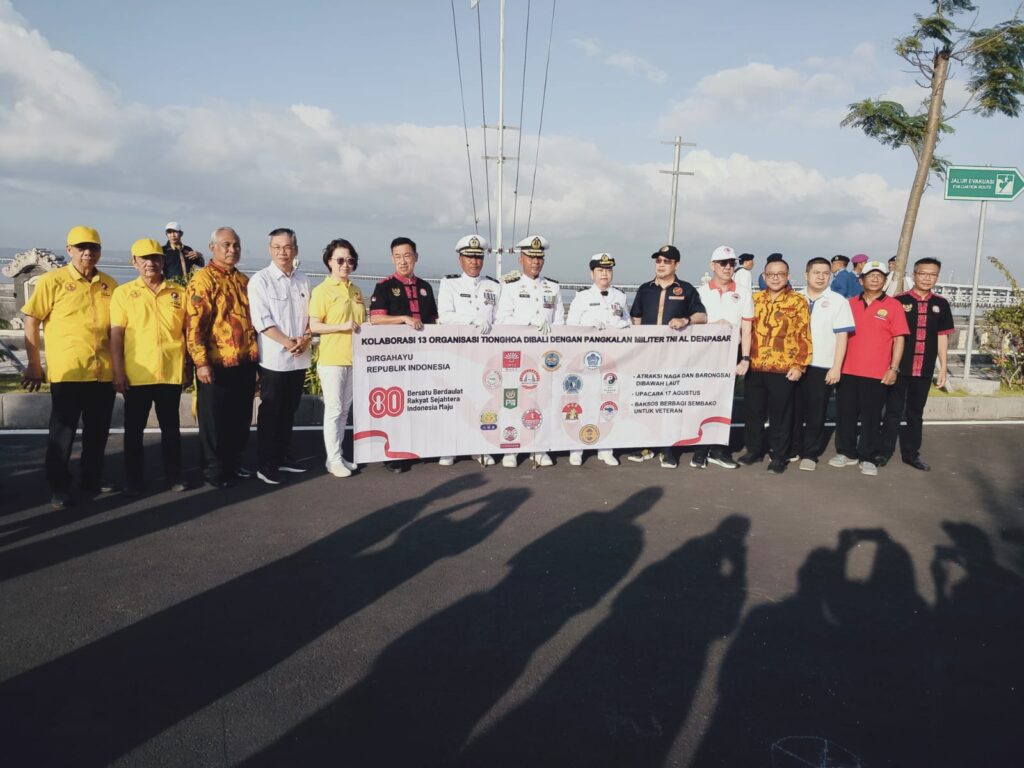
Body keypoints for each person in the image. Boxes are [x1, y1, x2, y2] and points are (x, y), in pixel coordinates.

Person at [21, 226, 119, 509]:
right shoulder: (53, 281)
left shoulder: (109, 284)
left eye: (93, 248)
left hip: (102, 372)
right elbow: (31, 319)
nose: (88, 253)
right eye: (81, 248)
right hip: (69, 371)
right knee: (62, 433)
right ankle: (59, 486)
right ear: (69, 250)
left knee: (97, 432)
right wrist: (34, 364)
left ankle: (92, 478)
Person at [110, 238, 188, 495]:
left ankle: (174, 475)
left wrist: (187, 366)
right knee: (134, 431)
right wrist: (118, 372)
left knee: (171, 429)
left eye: (155, 258)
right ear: (134, 262)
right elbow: (116, 335)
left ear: (163, 260)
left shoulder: (178, 292)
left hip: (169, 372)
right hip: (137, 374)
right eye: (144, 259)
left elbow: (187, 332)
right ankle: (134, 480)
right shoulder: (123, 293)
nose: (150, 263)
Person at [186, 227, 259, 488]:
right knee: (213, 421)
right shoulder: (203, 280)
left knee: (239, 418)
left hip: (245, 362)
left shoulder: (244, 281)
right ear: (212, 248)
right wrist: (201, 362)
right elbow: (194, 326)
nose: (232, 249)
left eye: (236, 245)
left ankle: (234, 464)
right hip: (216, 364)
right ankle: (213, 470)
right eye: (226, 245)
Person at [625, 244, 707, 469]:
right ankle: (644, 445)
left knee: (668, 403)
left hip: (674, 356)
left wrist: (685, 320)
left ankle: (667, 449)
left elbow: (702, 316)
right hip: (647, 355)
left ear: (676, 265)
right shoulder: (645, 289)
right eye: (658, 261)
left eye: (666, 261)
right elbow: (636, 318)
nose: (661, 265)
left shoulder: (687, 289)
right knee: (645, 401)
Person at [828, 260, 909, 476]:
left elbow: (899, 339)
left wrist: (894, 368)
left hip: (876, 372)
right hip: (847, 369)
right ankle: (846, 452)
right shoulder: (848, 304)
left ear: (885, 280)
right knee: (845, 414)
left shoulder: (893, 306)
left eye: (879, 276)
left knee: (872, 417)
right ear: (861, 280)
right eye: (870, 275)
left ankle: (867, 456)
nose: (875, 279)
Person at [247, 227, 312, 485]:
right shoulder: (260, 280)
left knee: (289, 410)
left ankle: (283, 456)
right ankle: (266, 464)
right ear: (269, 250)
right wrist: (288, 342)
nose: (282, 252)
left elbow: (310, 316)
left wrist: (305, 339)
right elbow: (261, 320)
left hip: (299, 357)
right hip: (274, 360)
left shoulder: (303, 279)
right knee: (271, 412)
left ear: (295, 250)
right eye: (277, 247)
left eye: (287, 247)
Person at [495, 234, 565, 468]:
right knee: (513, 400)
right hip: (517, 354)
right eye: (531, 257)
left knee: (542, 401)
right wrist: (528, 324)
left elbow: (560, 322)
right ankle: (512, 447)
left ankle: (539, 447)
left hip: (544, 356)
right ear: (521, 259)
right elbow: (502, 319)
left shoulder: (553, 287)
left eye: (539, 258)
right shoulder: (510, 287)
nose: (535, 262)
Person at [370, 236, 438, 473]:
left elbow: (434, 321)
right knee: (396, 407)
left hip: (423, 358)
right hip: (395, 358)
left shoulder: (426, 287)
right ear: (392, 258)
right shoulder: (384, 286)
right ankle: (394, 455)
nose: (403, 261)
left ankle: (418, 447)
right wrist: (403, 319)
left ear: (416, 257)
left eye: (407, 255)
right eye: (398, 256)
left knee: (419, 404)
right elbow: (375, 319)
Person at [879, 257, 954, 471]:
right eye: (923, 273)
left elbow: (942, 337)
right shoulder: (899, 301)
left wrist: (943, 368)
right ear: (914, 275)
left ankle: (912, 454)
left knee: (915, 413)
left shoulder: (941, 304)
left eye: (932, 274)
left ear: (937, 277)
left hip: (924, 368)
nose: (927, 278)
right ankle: (884, 452)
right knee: (892, 412)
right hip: (899, 368)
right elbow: (890, 336)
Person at [738, 257, 811, 474]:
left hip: (783, 368)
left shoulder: (798, 301)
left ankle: (779, 455)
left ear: (788, 276)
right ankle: (754, 450)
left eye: (780, 274)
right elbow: (744, 330)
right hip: (755, 365)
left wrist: (800, 365)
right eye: (771, 274)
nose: (775, 278)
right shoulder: (754, 299)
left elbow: (804, 335)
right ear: (764, 276)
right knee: (753, 412)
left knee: (781, 416)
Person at [437, 234, 501, 467]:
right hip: (457, 351)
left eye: (478, 257)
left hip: (484, 354)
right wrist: (471, 320)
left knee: (481, 401)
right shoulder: (450, 283)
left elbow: (499, 319)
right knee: (454, 401)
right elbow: (445, 316)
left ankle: (477, 446)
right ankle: (450, 447)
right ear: (460, 259)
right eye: (469, 257)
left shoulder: (494, 286)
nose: (474, 262)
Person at [566, 252, 630, 467]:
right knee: (583, 403)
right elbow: (570, 326)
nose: (605, 274)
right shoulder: (582, 297)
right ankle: (576, 448)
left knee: (608, 403)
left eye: (608, 270)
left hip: (612, 360)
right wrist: (588, 325)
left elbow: (628, 324)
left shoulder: (620, 296)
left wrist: (623, 325)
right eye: (600, 270)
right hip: (586, 360)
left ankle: (606, 448)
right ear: (591, 273)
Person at [692, 245, 753, 470]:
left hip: (730, 353)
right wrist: (713, 325)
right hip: (704, 353)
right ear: (713, 265)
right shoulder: (700, 292)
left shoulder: (744, 292)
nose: (728, 267)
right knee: (703, 400)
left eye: (731, 263)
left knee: (725, 402)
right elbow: (693, 324)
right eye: (723, 263)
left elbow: (747, 328)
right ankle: (700, 449)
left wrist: (745, 357)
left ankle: (718, 449)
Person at [792, 257, 855, 471]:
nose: (821, 277)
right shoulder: (795, 298)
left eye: (825, 273)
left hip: (822, 365)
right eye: (816, 272)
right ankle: (793, 448)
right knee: (793, 409)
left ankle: (810, 453)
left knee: (816, 411)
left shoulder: (838, 301)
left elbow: (842, 337)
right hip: (795, 364)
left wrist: (836, 367)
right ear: (806, 275)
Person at [310, 238, 366, 478]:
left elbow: (362, 323)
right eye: (340, 260)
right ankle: (332, 460)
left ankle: (338, 455)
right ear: (329, 262)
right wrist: (341, 326)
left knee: (344, 411)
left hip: (354, 359)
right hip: (332, 358)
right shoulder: (321, 291)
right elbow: (314, 326)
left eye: (350, 260)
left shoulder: (356, 290)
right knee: (333, 411)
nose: (345, 265)